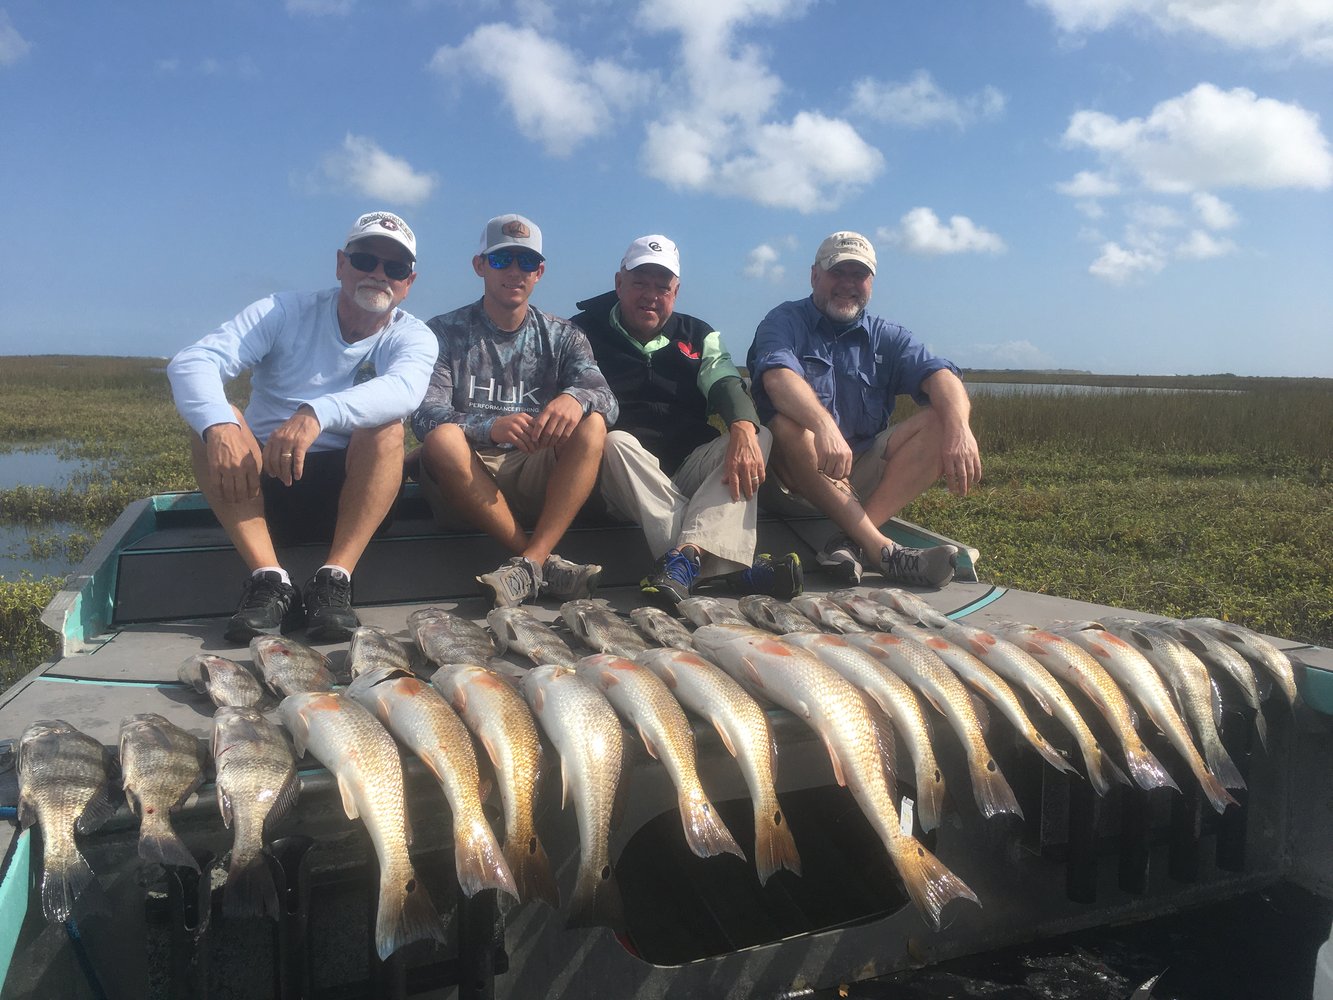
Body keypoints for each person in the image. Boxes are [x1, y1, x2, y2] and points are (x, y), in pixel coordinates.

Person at [168, 210, 438, 644]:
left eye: (395, 267)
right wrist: (218, 425)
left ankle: (335, 579)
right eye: (364, 259)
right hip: (264, 489)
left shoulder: (415, 337)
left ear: (409, 283)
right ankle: (269, 578)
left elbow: (404, 390)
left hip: (353, 495)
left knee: (387, 426)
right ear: (340, 264)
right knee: (217, 422)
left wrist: (315, 413)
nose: (378, 274)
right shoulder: (282, 310)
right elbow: (194, 361)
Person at [570, 235, 801, 608]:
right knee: (615, 441)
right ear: (618, 283)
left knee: (757, 436)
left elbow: (724, 380)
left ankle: (686, 561)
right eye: (640, 283)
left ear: (676, 292)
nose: (650, 295)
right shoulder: (581, 332)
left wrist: (743, 424)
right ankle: (727, 567)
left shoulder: (698, 334)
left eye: (662, 287)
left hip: (686, 471)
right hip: (619, 477)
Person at [747, 230, 981, 588]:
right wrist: (823, 427)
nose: (848, 284)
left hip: (857, 474)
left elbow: (941, 375)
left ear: (871, 282)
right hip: (792, 482)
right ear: (814, 276)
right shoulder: (784, 321)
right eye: (837, 272)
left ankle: (849, 543)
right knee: (788, 425)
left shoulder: (888, 336)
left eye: (859, 275)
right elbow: (777, 379)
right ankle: (880, 548)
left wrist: (959, 429)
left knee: (941, 418)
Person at [411, 214, 615, 607]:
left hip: (533, 471)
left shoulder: (564, 335)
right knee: (444, 440)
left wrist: (576, 398)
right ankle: (540, 561)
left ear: (539, 272)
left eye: (526, 262)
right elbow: (423, 414)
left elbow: (605, 396)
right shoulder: (442, 332)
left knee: (593, 427)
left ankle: (527, 565)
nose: (514, 272)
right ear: (480, 266)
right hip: (466, 479)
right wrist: (491, 427)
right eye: (502, 260)